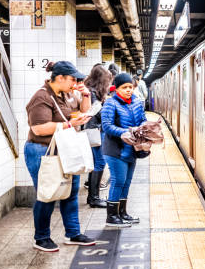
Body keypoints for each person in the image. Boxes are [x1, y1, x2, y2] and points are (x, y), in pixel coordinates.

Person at [24, 61, 96, 252]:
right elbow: (38, 128)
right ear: (60, 78)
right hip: (41, 150)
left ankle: (73, 233)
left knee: (71, 192)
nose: (75, 82)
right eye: (72, 79)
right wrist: (70, 124)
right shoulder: (42, 97)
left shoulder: (66, 95)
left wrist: (86, 94)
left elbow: (83, 110)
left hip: (64, 149)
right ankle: (41, 237)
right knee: (47, 194)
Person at [102, 73, 147, 227]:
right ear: (117, 89)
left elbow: (142, 119)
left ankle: (122, 213)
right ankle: (112, 217)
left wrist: (146, 128)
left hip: (132, 149)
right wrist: (124, 132)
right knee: (118, 181)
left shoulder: (136, 102)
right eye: (124, 87)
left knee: (126, 182)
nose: (128, 90)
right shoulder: (110, 103)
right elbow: (106, 126)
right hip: (115, 149)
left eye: (130, 87)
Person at [83, 64, 111, 208]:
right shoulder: (92, 93)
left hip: (94, 130)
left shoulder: (90, 90)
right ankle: (94, 198)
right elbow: (95, 113)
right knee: (99, 162)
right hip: (94, 131)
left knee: (96, 163)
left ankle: (92, 197)